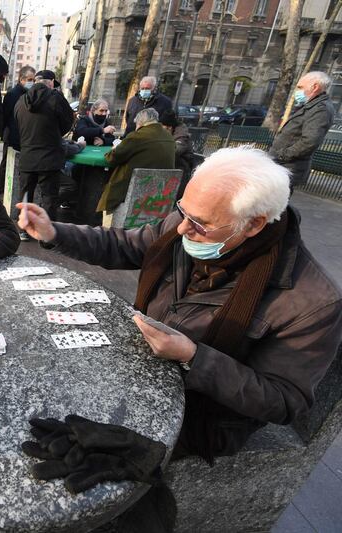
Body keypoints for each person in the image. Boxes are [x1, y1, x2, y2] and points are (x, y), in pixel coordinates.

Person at [17, 145, 342, 463]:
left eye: (199, 224)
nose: (183, 229)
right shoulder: (193, 219)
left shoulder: (312, 302)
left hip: (203, 414)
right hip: (146, 365)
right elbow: (125, 244)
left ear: (254, 224)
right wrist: (54, 232)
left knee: (86, 453)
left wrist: (193, 356)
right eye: (182, 211)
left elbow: (284, 400)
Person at [14, 70, 76, 226]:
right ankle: (46, 236)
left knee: (25, 196)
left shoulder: (21, 100)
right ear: (51, 82)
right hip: (49, 158)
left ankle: (23, 229)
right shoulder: (56, 98)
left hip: (27, 157)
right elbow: (67, 123)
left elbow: (17, 124)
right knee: (49, 197)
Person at [99, 108, 175, 226]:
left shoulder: (137, 136)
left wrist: (114, 149)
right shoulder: (169, 137)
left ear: (140, 123)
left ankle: (107, 230)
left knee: (107, 189)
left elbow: (111, 158)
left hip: (132, 193)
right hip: (159, 195)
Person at [269, 71, 336, 193]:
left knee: (275, 207)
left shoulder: (320, 109)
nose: (297, 91)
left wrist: (281, 155)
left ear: (315, 87)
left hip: (287, 167)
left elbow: (309, 141)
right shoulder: (311, 105)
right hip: (281, 166)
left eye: (300, 87)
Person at [0, 65, 37, 194]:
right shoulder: (12, 94)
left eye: (34, 80)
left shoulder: (30, 94)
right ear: (21, 79)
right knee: (7, 164)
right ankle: (2, 191)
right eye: (30, 79)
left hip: (24, 137)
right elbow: (5, 116)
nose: (32, 82)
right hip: (13, 136)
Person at [159, 108, 195, 200]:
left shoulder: (182, 137)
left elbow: (174, 152)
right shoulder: (165, 132)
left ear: (170, 127)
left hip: (181, 169)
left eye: (166, 128)